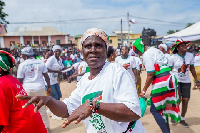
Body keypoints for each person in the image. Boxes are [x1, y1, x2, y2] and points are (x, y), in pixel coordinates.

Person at [16, 28, 146, 133]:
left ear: (106, 50)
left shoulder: (116, 71)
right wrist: (49, 101)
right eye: (88, 46)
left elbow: (133, 112)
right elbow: (67, 109)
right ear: (82, 51)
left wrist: (94, 106)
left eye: (98, 46)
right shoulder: (84, 81)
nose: (93, 50)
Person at [133, 38, 180, 133]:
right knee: (163, 108)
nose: (139, 54)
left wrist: (143, 91)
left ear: (139, 49)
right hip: (170, 78)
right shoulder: (155, 50)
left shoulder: (146, 55)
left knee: (155, 110)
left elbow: (151, 74)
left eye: (138, 52)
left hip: (162, 81)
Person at [0, 50, 47, 133]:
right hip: (34, 124)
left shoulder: (1, 84)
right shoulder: (12, 80)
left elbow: (1, 122)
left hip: (20, 128)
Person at [17, 47, 51, 131]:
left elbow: (19, 80)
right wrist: (49, 87)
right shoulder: (40, 62)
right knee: (42, 108)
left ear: (25, 55)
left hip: (27, 89)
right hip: (40, 88)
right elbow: (46, 76)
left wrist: (19, 90)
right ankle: (46, 128)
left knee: (28, 109)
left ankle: (32, 128)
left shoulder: (22, 65)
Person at [168, 39, 199, 127]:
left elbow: (192, 68)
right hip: (176, 80)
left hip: (186, 81)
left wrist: (196, 79)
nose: (184, 47)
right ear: (177, 48)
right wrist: (168, 81)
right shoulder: (172, 57)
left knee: (185, 100)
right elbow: (169, 70)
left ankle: (182, 118)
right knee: (178, 100)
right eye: (181, 45)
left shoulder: (190, 55)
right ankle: (174, 115)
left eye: (185, 45)